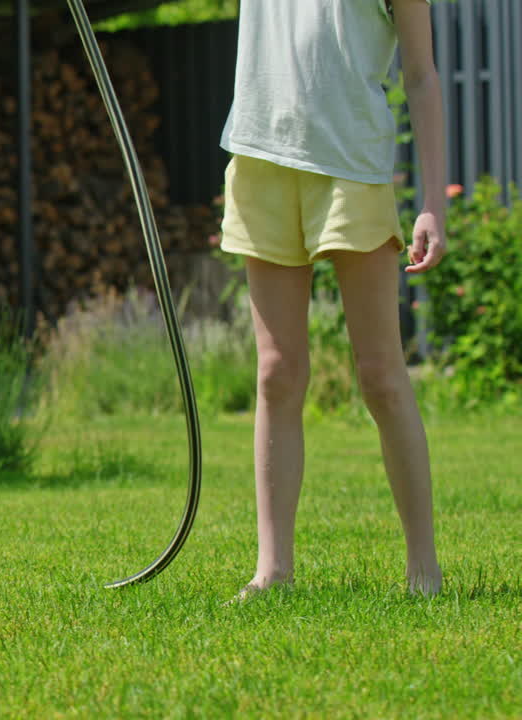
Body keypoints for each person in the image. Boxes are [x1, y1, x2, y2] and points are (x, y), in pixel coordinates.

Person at [219, 0, 446, 598]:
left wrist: (433, 203)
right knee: (276, 373)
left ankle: (423, 566)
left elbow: (420, 75)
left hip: (352, 166)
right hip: (260, 157)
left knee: (380, 374)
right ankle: (273, 570)